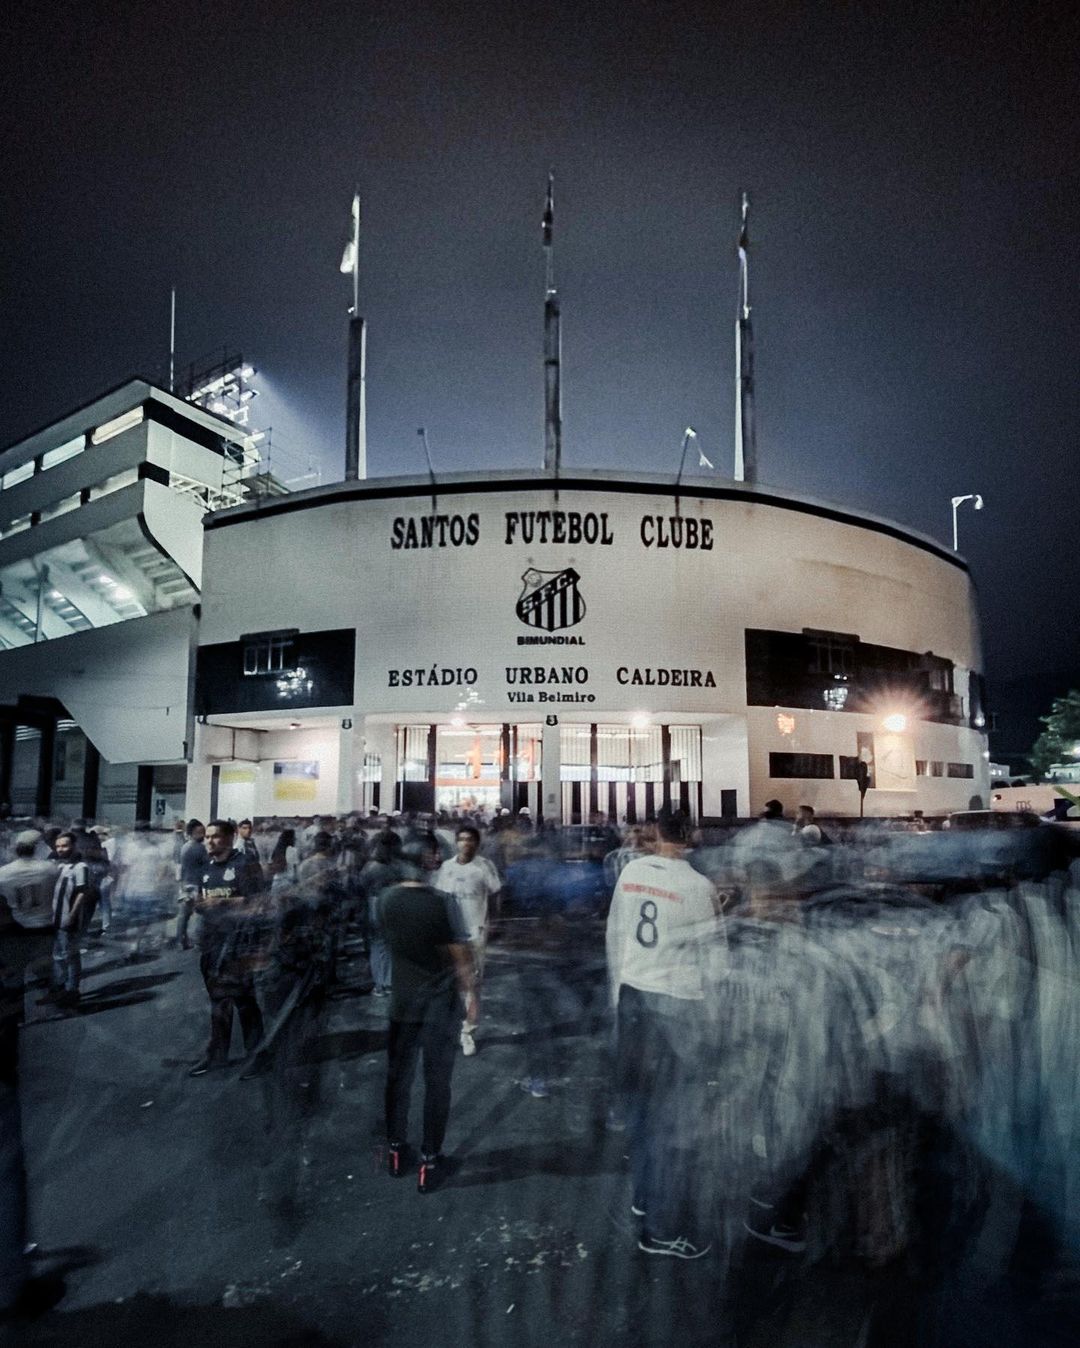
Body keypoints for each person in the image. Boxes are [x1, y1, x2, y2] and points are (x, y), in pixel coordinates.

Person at [606, 809, 724, 1260]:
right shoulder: (699, 887)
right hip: (676, 1005)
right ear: (691, 835)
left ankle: (644, 1196)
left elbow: (616, 934)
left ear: (655, 833)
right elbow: (715, 959)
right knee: (673, 1118)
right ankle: (660, 1227)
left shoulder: (632, 872)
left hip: (635, 996)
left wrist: (617, 995)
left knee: (641, 1110)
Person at [379, 833, 475, 1193]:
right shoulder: (443, 903)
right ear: (428, 860)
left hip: (402, 1005)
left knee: (397, 1081)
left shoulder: (384, 901)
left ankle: (394, 1151)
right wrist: (472, 997)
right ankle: (430, 1161)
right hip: (439, 1007)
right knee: (437, 1085)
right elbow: (460, 958)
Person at [189, 820, 266, 1077]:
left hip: (239, 944)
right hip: (212, 944)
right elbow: (205, 901)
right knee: (218, 1002)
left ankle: (257, 1056)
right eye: (207, 837)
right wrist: (198, 905)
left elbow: (258, 903)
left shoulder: (245, 864)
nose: (209, 841)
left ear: (230, 838)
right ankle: (218, 1055)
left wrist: (222, 904)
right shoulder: (206, 867)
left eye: (215, 837)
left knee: (244, 1001)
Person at [434, 825, 501, 1056]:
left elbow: (495, 895)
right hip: (451, 934)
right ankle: (449, 1029)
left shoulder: (484, 867)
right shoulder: (446, 868)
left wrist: (494, 922)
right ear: (456, 842)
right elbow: (441, 899)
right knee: (450, 983)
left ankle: (468, 1032)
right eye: (461, 839)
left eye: (470, 839)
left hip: (475, 933)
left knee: (472, 984)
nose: (465, 843)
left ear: (477, 843)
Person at [49, 834, 90, 1010]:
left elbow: (81, 892)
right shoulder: (57, 866)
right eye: (58, 846)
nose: (60, 849)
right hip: (53, 918)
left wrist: (72, 915)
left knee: (70, 955)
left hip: (68, 918)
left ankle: (72, 989)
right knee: (58, 955)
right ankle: (62, 986)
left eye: (64, 846)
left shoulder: (80, 867)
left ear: (73, 846)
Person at [175, 819, 207, 949]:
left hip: (186, 883)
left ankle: (180, 941)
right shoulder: (200, 848)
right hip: (197, 884)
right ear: (192, 833)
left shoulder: (185, 847)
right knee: (201, 913)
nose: (203, 835)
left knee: (184, 915)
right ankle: (199, 940)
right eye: (200, 832)